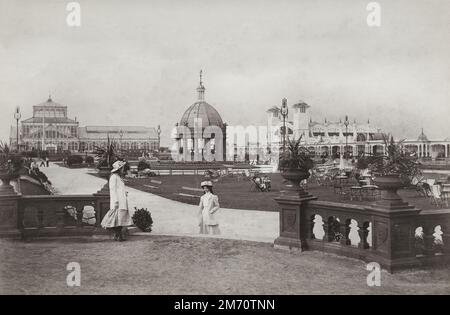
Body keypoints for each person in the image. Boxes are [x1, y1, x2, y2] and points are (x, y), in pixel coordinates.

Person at [101, 160, 134, 241]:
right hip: (118, 202)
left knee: (120, 220)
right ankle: (118, 235)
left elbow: (119, 188)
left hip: (122, 201)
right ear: (119, 169)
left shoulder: (118, 177)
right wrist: (116, 201)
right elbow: (113, 190)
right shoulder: (113, 177)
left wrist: (124, 192)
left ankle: (118, 235)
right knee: (116, 220)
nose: (123, 169)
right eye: (122, 168)